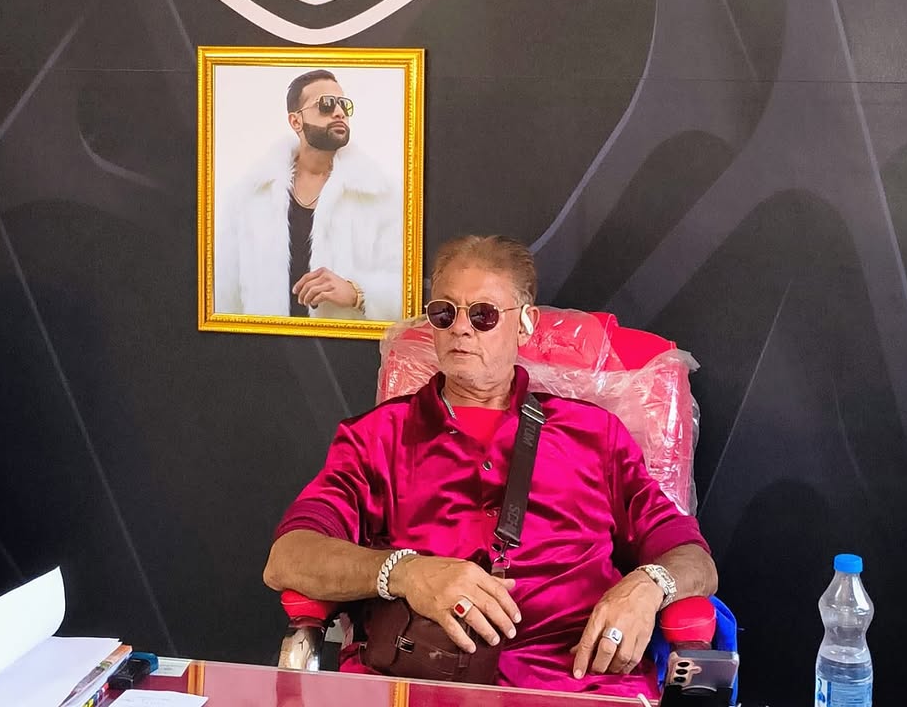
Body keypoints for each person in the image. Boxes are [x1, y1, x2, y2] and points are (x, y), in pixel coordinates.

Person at [264, 235, 718, 698]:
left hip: (577, 684)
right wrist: (406, 572)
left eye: (482, 315)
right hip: (417, 680)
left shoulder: (594, 434)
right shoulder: (376, 437)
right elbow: (288, 559)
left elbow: (693, 559)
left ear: (525, 323)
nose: (461, 328)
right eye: (445, 313)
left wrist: (649, 585)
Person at [214, 69, 402, 321]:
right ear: (296, 121)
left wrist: (358, 293)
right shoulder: (248, 197)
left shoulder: (382, 196)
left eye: (344, 104)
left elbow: (406, 289)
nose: (339, 112)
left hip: (344, 343)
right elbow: (225, 296)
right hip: (268, 342)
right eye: (326, 104)